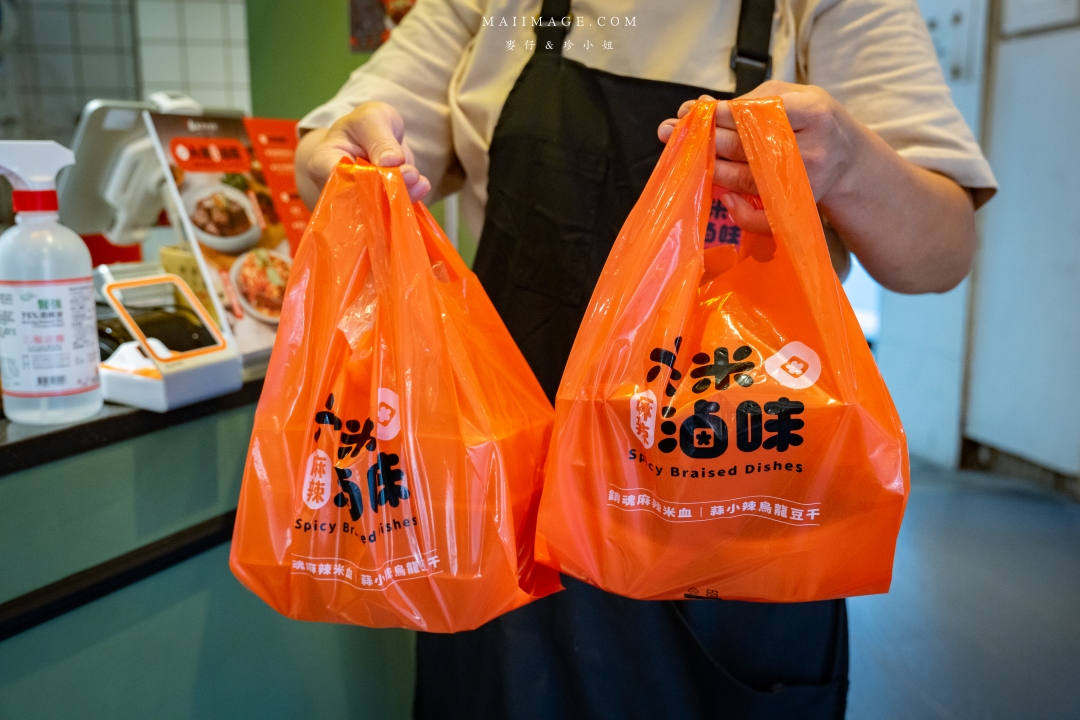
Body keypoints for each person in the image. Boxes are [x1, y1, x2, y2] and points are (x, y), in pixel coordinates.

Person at [295, 0, 996, 717]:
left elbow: (939, 255)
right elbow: (346, 136)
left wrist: (848, 163)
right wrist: (334, 159)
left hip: (729, 496)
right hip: (508, 511)